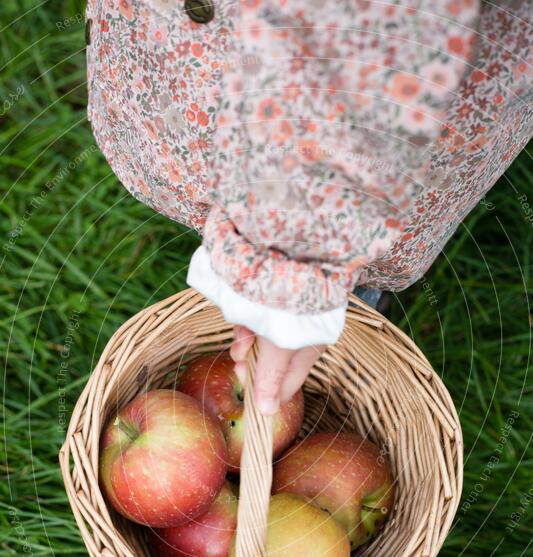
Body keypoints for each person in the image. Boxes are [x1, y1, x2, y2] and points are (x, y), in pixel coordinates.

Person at [86, 0, 532, 413]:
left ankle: (326, 284)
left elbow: (366, 35)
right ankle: (249, 249)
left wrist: (297, 266)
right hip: (197, 51)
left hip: (361, 130)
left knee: (340, 221)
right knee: (211, 158)